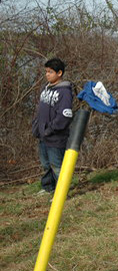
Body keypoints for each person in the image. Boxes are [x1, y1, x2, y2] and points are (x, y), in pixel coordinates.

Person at [32, 58, 74, 195]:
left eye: (50, 72)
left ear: (59, 73)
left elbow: (65, 115)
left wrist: (50, 129)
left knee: (57, 165)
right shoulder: (46, 88)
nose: (47, 74)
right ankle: (48, 187)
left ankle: (62, 193)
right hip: (43, 135)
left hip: (56, 137)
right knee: (46, 165)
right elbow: (40, 110)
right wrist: (37, 127)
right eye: (46, 72)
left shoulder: (65, 91)